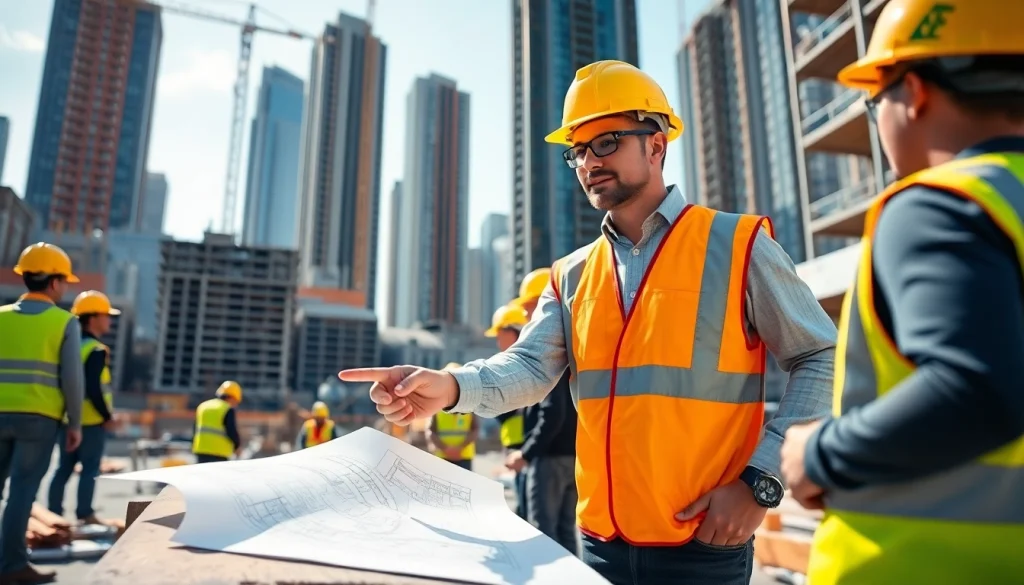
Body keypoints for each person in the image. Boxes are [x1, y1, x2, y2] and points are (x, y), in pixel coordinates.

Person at [341, 60, 836, 584]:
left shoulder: (738, 245)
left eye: (606, 142)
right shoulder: (572, 274)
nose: (587, 162)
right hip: (600, 543)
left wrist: (760, 483)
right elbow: (528, 369)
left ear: (656, 145)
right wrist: (448, 385)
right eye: (577, 150)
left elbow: (820, 356)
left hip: (703, 541)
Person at [778, 1, 1024, 583]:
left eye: (874, 98)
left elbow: (979, 389)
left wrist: (819, 455)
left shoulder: (941, 204)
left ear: (913, 92)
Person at [0, 242, 84, 585]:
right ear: (53, 282)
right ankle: (12, 566)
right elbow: (72, 379)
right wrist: (75, 423)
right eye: (64, 280)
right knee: (22, 491)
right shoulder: (64, 322)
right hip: (38, 418)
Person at [503, 270, 580, 555]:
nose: (525, 316)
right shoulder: (572, 343)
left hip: (549, 459)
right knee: (565, 531)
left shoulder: (549, 353)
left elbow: (553, 413)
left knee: (543, 532)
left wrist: (527, 453)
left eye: (527, 307)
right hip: (572, 455)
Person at [47, 290, 120, 526]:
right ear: (93, 317)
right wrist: (107, 416)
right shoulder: (96, 350)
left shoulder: (69, 346)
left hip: (67, 418)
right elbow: (93, 388)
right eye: (106, 315)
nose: (109, 320)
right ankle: (85, 514)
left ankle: (54, 514)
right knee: (89, 469)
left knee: (62, 470)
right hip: (90, 422)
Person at [486, 303, 530, 519]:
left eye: (499, 333)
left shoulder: (525, 366)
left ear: (513, 331)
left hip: (526, 448)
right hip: (518, 446)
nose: (497, 341)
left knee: (529, 513)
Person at [425, 364, 479, 472]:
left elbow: (475, 429)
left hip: (463, 457)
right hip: (443, 456)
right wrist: (445, 449)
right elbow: (430, 431)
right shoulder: (437, 406)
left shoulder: (470, 405)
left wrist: (460, 448)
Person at [192, 381, 243, 463]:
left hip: (200, 451)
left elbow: (195, 430)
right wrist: (237, 447)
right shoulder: (227, 409)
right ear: (232, 397)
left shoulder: (203, 406)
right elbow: (231, 430)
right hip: (219, 453)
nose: (236, 405)